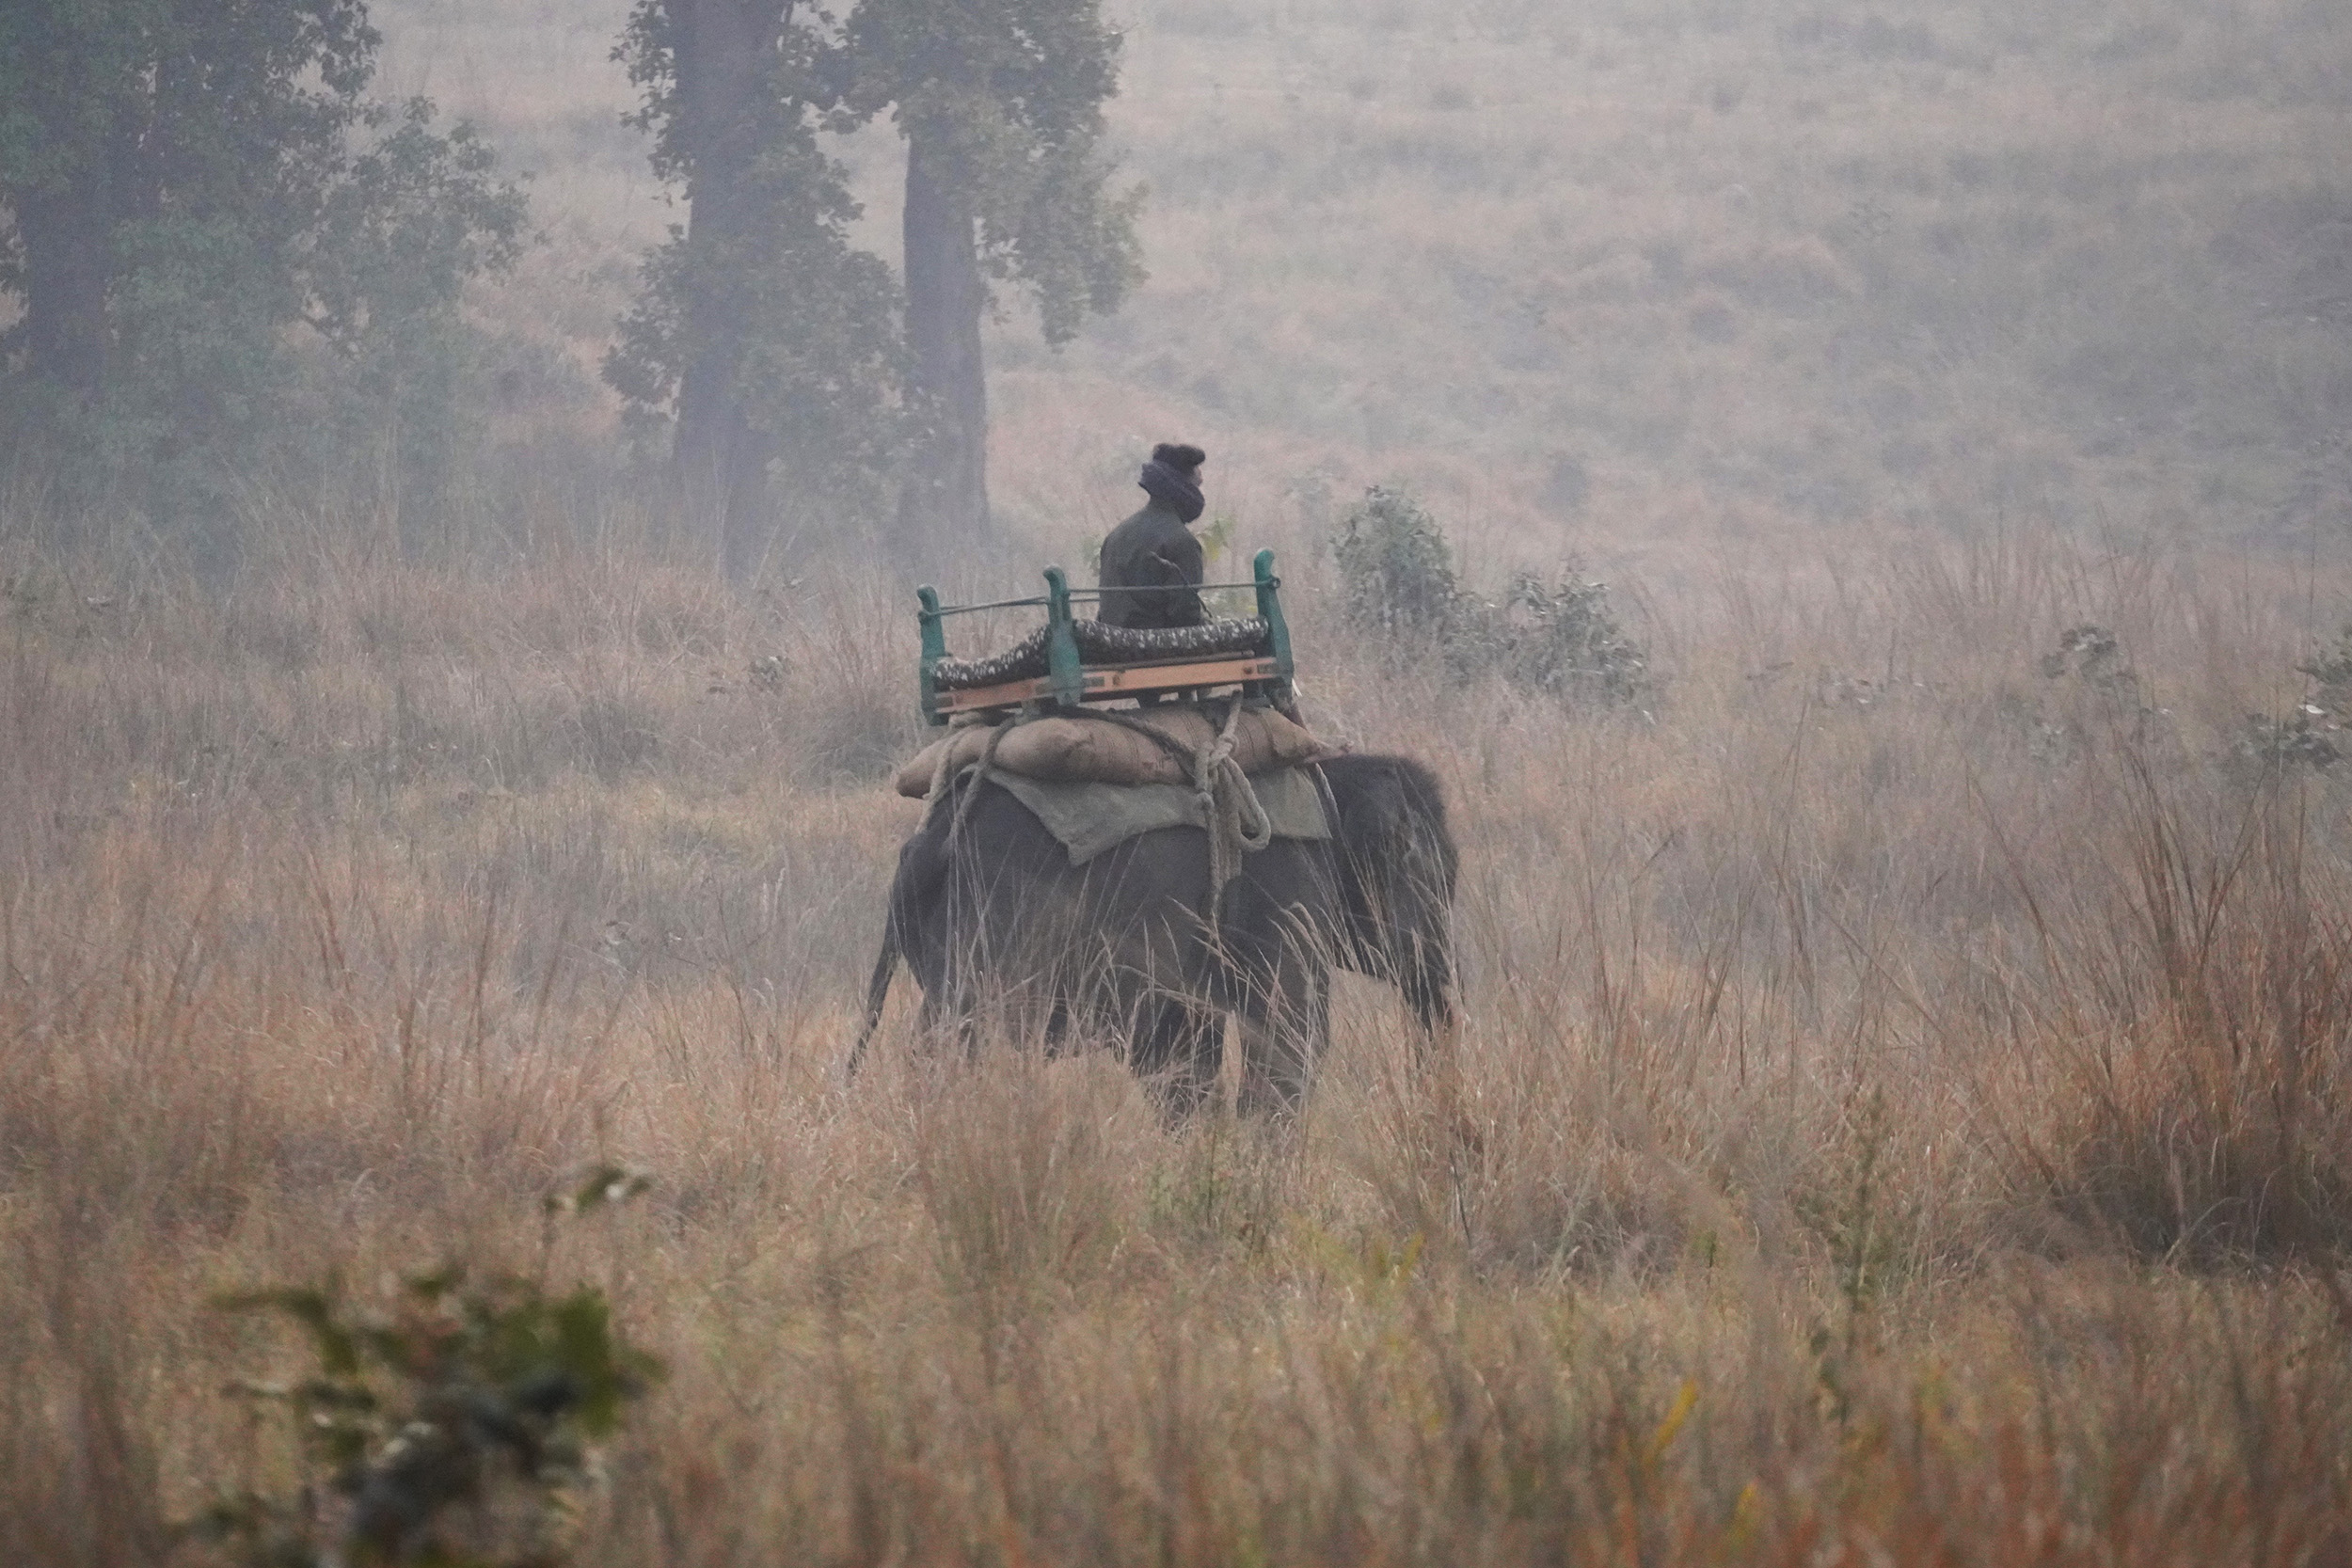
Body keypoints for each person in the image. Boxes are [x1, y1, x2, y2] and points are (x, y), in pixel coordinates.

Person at [1097, 442, 1209, 630]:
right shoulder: (1181, 541)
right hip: (1156, 649)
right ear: (1184, 487)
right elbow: (1185, 617)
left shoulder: (1116, 536)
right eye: (1197, 485)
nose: (1200, 488)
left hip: (1111, 646)